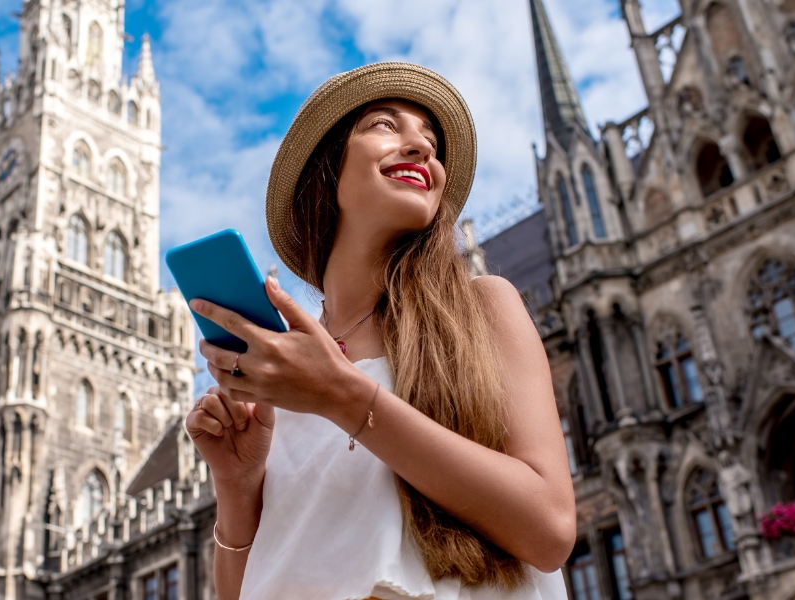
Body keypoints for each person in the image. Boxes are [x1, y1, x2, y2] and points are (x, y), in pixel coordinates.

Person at [185, 62, 575, 600]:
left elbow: (550, 530)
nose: (421, 148)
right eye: (385, 125)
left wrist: (342, 394)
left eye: (431, 141)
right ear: (326, 171)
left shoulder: (484, 308)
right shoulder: (280, 379)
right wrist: (236, 483)